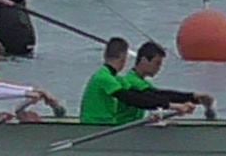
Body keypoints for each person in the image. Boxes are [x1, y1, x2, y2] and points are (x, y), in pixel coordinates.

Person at [80, 37, 212, 126]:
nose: (159, 68)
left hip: (113, 126)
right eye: (157, 63)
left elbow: (154, 95)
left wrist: (193, 98)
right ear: (124, 57)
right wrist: (173, 106)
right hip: (96, 126)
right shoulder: (107, 78)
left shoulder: (118, 79)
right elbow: (135, 99)